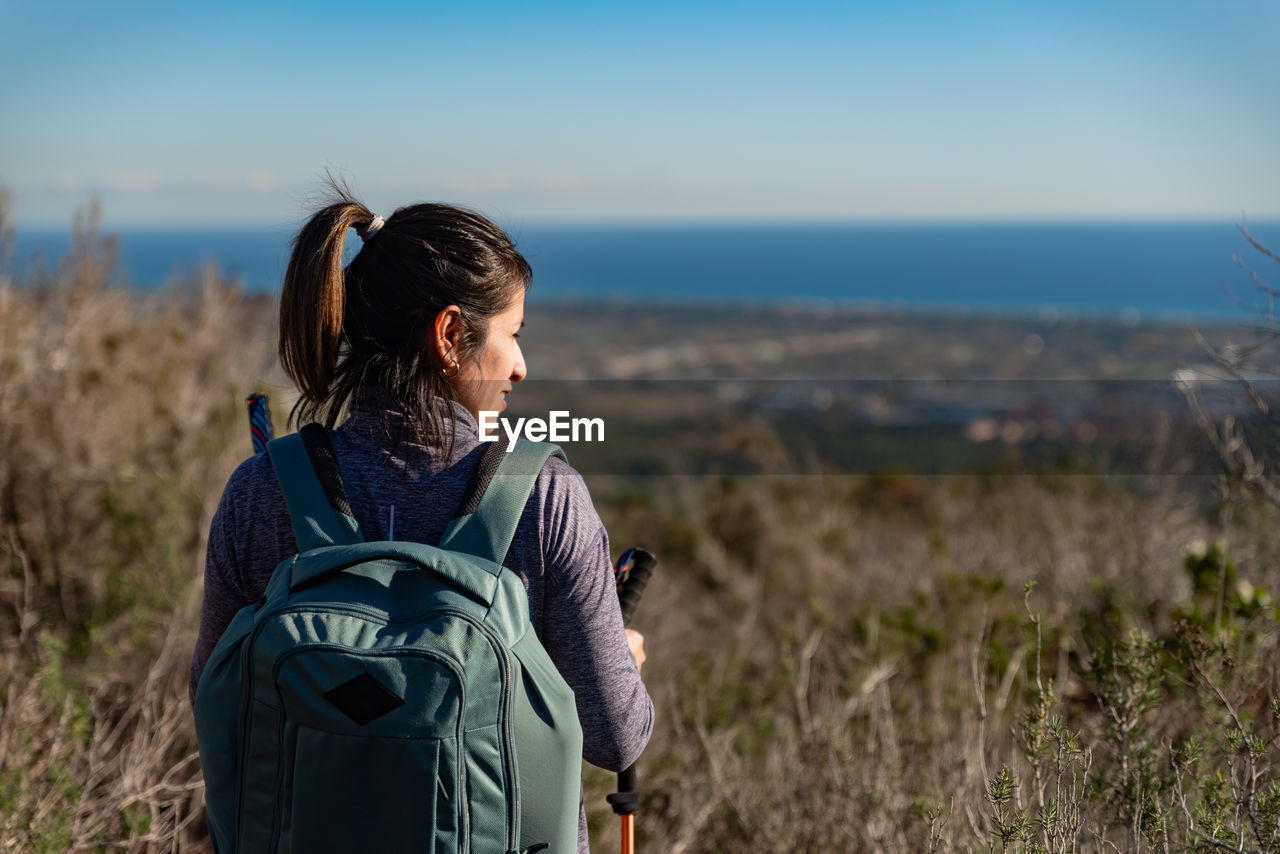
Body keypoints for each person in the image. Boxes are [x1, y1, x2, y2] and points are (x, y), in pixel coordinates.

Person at [189, 183, 653, 853]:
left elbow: (216, 705)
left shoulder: (261, 492)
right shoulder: (545, 499)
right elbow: (616, 736)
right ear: (449, 335)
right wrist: (624, 662)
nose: (520, 367)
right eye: (512, 336)